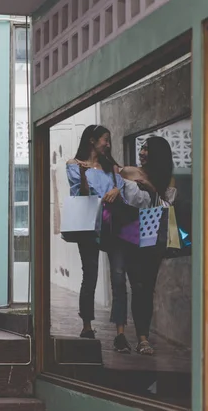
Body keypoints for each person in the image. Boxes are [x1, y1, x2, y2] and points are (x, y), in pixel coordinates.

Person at [110, 136, 175, 355]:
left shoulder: (167, 178)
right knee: (135, 285)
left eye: (147, 149)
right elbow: (118, 195)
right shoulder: (128, 172)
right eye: (142, 148)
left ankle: (143, 338)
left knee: (146, 288)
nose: (142, 152)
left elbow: (168, 207)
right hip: (129, 233)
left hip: (153, 236)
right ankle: (134, 336)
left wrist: (152, 189)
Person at [66, 125, 124, 340]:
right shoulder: (74, 165)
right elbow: (81, 195)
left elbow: (124, 192)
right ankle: (87, 325)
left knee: (118, 277)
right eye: (105, 140)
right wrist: (83, 175)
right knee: (90, 275)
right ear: (92, 140)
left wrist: (119, 188)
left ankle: (120, 331)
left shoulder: (112, 167)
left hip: (113, 223)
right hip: (88, 224)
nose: (108, 145)